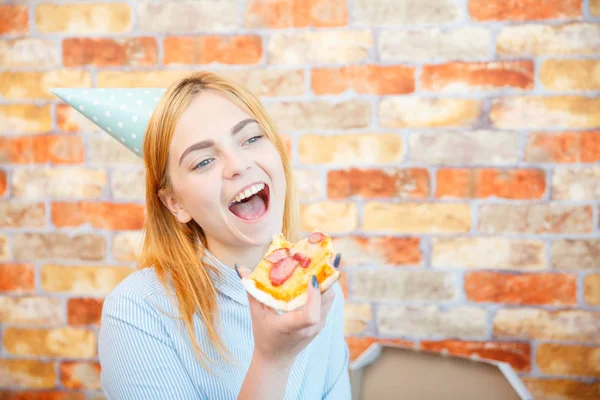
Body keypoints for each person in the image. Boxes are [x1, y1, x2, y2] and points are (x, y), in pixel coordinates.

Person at [88, 71, 351, 399]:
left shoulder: (319, 289)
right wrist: (272, 361)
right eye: (203, 161)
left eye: (251, 138)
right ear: (175, 203)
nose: (237, 164)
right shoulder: (137, 310)